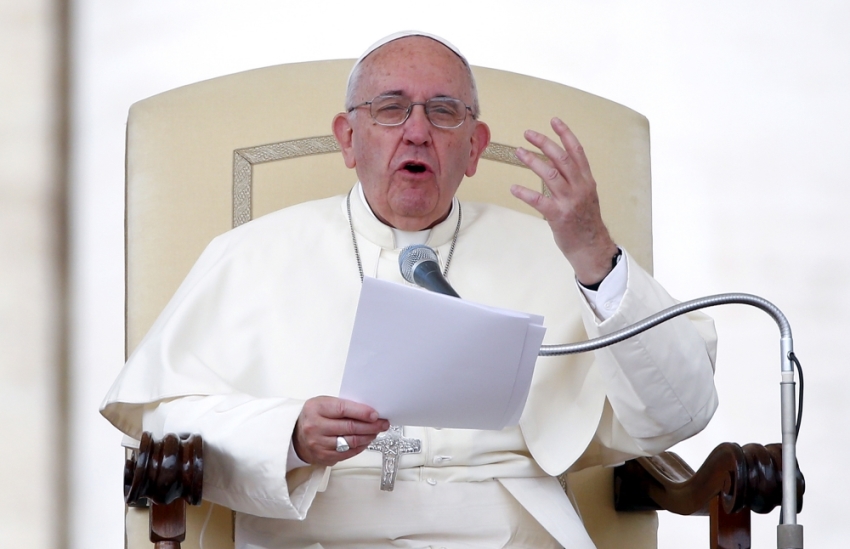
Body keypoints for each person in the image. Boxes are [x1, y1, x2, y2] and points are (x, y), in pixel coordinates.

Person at [102, 31, 718, 549]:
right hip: (317, 533)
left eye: (444, 111)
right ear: (348, 138)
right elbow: (160, 419)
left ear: (473, 148)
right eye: (391, 108)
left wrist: (593, 251)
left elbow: (679, 410)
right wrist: (287, 433)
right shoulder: (252, 254)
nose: (417, 130)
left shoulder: (560, 252)